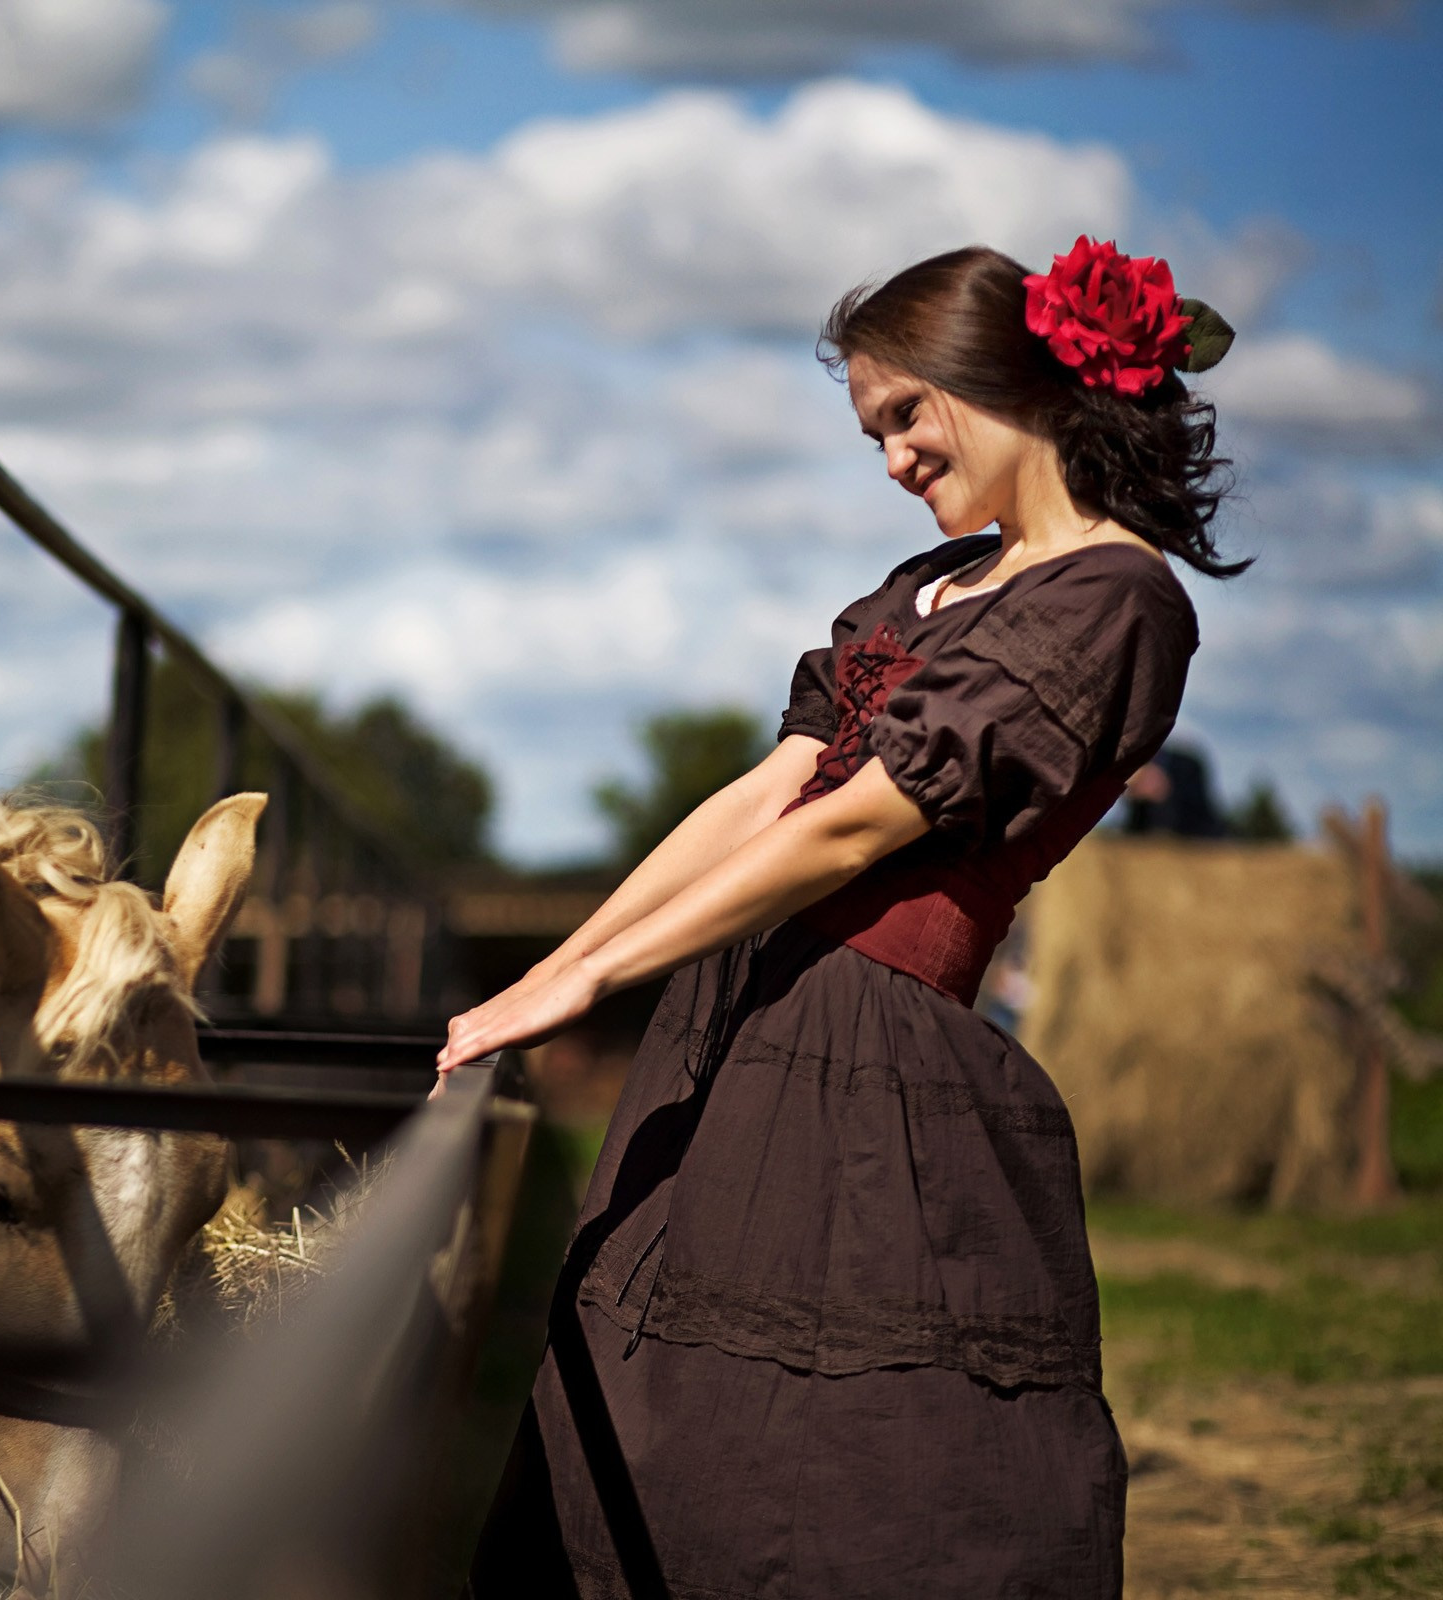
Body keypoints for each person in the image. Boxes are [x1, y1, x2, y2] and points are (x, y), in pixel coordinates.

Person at [437, 238, 1242, 1599]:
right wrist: (556, 973)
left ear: (1012, 383)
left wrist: (596, 980)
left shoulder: (1119, 601)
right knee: (646, 1406)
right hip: (730, 1026)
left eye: (907, 415)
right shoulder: (909, 596)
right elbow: (764, 794)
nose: (892, 461)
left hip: (872, 1063)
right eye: (873, 431)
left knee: (853, 1461)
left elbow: (861, 822)